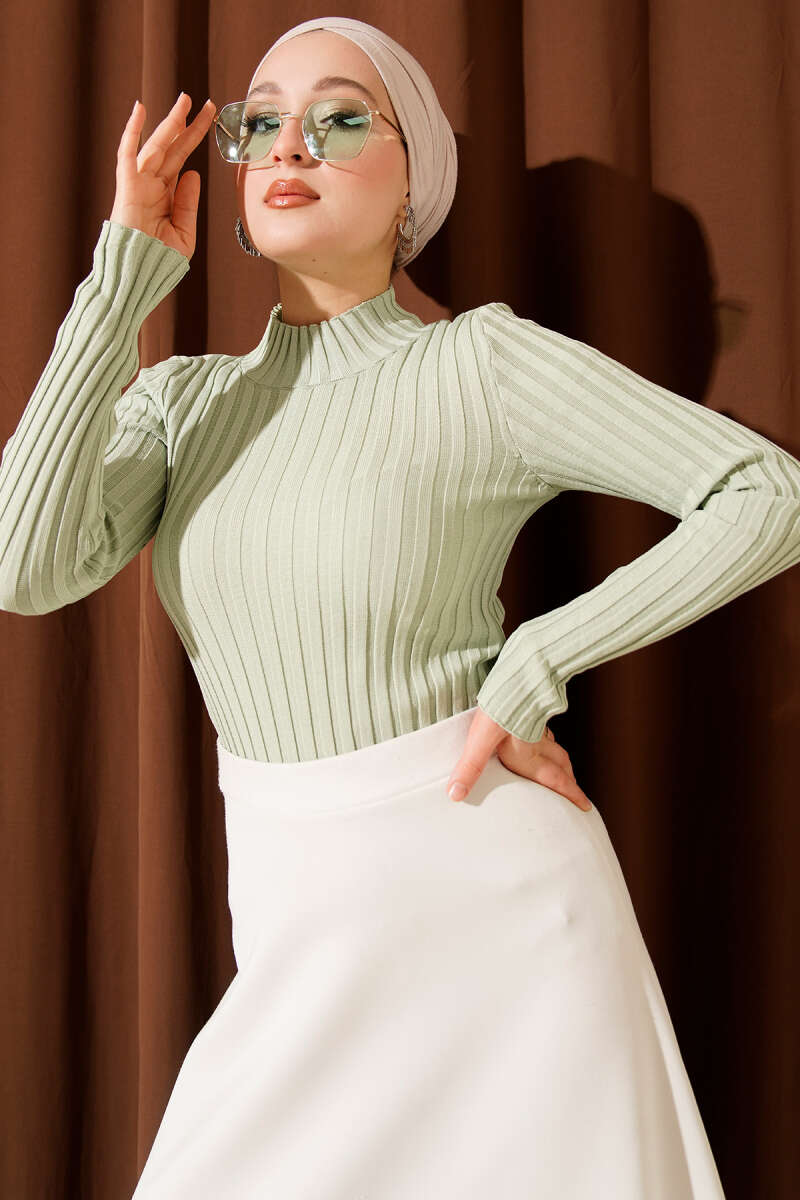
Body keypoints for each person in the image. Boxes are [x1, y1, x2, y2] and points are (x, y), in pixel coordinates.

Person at [2, 14, 798, 1198]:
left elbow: (766, 494)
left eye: (338, 120)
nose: (289, 147)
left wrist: (539, 659)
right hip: (292, 936)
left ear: (414, 175)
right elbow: (25, 567)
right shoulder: (181, 405)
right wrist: (122, 278)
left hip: (497, 919)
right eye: (262, 122)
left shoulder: (479, 366)